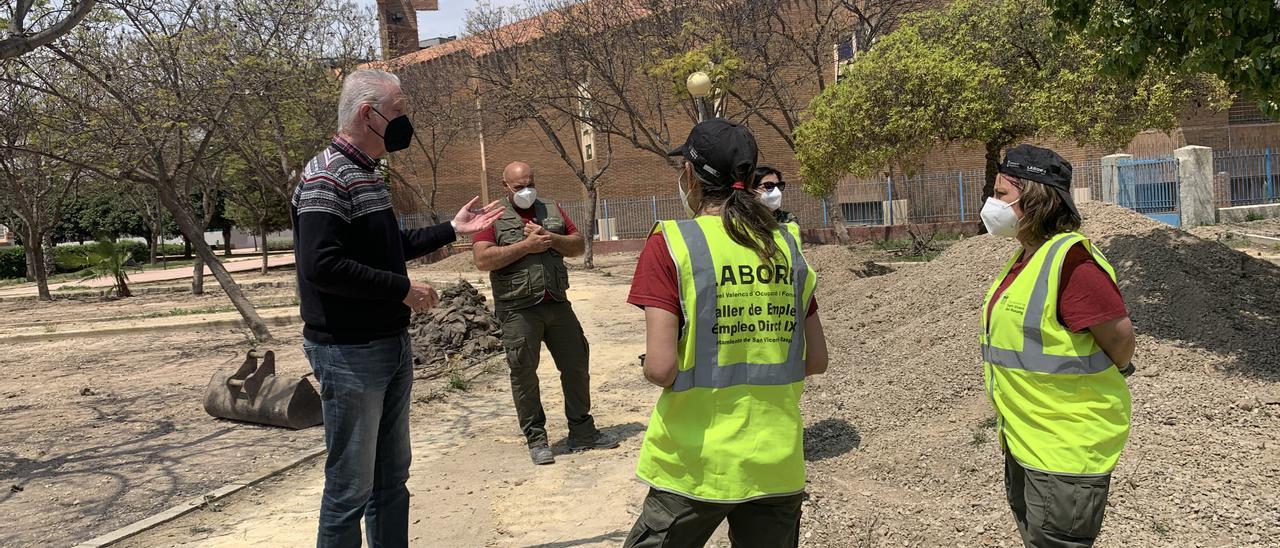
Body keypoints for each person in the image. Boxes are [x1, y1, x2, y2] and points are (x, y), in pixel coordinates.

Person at [292, 68, 503, 548]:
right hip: (350, 353)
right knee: (350, 488)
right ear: (370, 114)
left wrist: (452, 229)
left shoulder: (366, 175)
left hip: (388, 345)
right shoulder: (326, 175)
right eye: (401, 111)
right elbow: (321, 266)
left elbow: (388, 247)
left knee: (391, 480)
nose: (407, 123)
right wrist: (401, 290)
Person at [623, 119, 829, 548]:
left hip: (695, 465)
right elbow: (816, 360)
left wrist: (653, 365)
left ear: (690, 175)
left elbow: (661, 368)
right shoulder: (786, 245)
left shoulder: (672, 244)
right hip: (777, 462)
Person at [979, 144, 1136, 548]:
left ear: (1034, 198)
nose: (991, 203)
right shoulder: (1028, 257)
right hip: (1026, 444)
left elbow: (1121, 343)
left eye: (1001, 194)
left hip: (1064, 453)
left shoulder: (1072, 263)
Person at [471, 161, 619, 465]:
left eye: (530, 183)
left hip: (556, 303)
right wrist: (527, 246)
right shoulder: (492, 215)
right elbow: (483, 259)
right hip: (518, 309)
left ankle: (582, 432)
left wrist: (551, 239)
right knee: (524, 373)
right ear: (505, 187)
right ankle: (536, 438)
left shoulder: (550, 209)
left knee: (577, 364)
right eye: (518, 186)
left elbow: (577, 244)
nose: (526, 190)